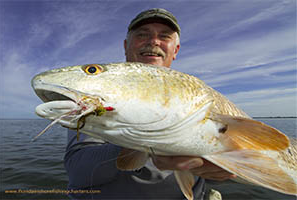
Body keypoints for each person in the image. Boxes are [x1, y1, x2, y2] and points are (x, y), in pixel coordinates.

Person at [64, 8, 234, 200]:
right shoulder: (100, 93)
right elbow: (78, 172)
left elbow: (220, 173)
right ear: (126, 46)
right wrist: (139, 140)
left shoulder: (198, 94)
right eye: (142, 35)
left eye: (164, 36)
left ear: (175, 50)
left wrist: (219, 171)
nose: (153, 41)